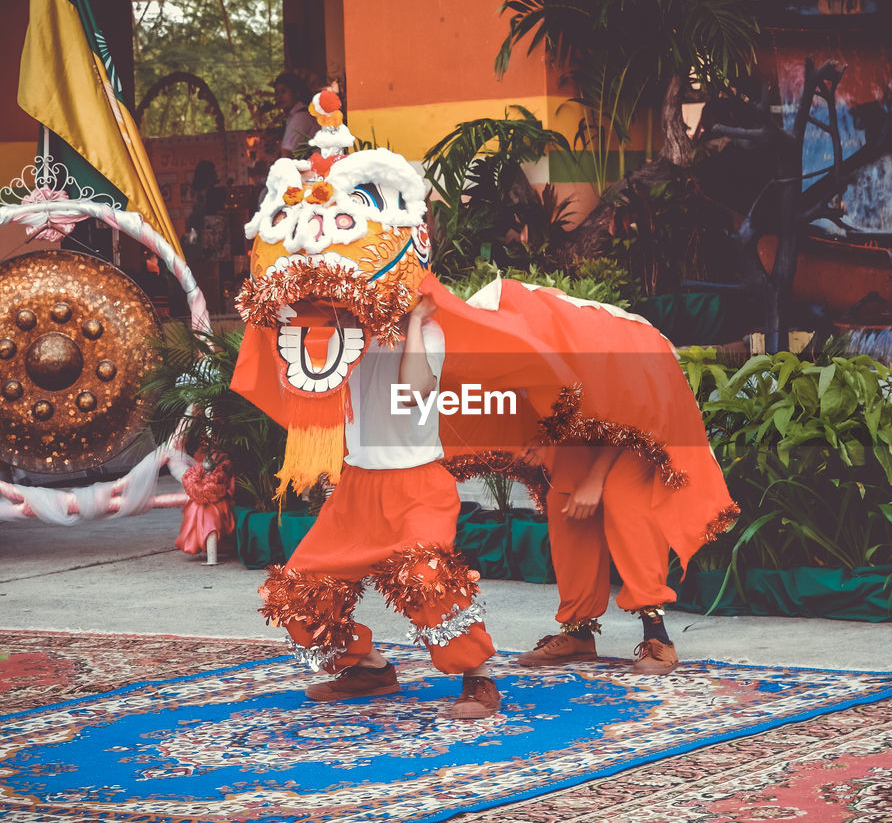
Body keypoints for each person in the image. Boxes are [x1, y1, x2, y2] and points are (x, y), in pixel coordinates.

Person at [256, 292, 502, 719]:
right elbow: (305, 387)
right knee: (297, 590)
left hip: (417, 486)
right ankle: (369, 669)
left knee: (425, 578)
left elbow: (412, 393)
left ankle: (477, 676)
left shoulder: (427, 332)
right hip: (357, 487)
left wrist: (416, 319)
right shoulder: (341, 336)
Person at [516, 442, 681, 675]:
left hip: (640, 426)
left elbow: (625, 419)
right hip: (584, 429)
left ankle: (656, 634)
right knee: (564, 494)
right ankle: (578, 633)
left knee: (623, 493)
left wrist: (595, 479)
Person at [273, 72, 319, 157]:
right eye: (277, 93)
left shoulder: (301, 117)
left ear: (296, 92)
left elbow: (287, 154)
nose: (279, 97)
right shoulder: (296, 116)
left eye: (283, 91)